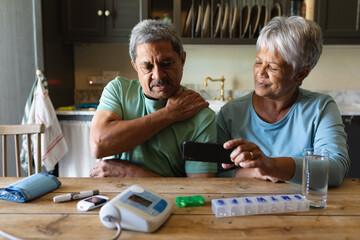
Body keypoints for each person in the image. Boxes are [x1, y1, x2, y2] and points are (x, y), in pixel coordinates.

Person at [216, 16, 350, 187]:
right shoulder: (230, 113)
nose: (260, 73)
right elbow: (215, 173)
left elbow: (335, 169)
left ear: (300, 74)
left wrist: (271, 165)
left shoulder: (321, 108)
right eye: (258, 62)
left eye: (272, 67)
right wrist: (257, 171)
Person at [89, 19, 217, 178]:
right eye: (147, 67)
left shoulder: (202, 116)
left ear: (182, 60)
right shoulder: (119, 90)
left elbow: (200, 190)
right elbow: (99, 145)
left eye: (166, 63)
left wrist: (129, 173)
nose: (158, 75)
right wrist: (169, 114)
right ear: (135, 66)